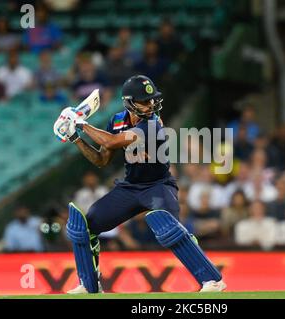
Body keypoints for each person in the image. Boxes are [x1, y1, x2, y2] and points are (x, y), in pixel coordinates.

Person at [53, 75, 226, 293]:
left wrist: (79, 122)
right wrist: (74, 138)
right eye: (145, 100)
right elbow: (101, 160)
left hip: (159, 185)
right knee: (85, 228)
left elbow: (111, 141)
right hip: (130, 188)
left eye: (152, 99)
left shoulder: (153, 124)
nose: (151, 104)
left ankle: (212, 280)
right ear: (129, 102)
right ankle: (89, 285)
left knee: (170, 230)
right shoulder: (116, 121)